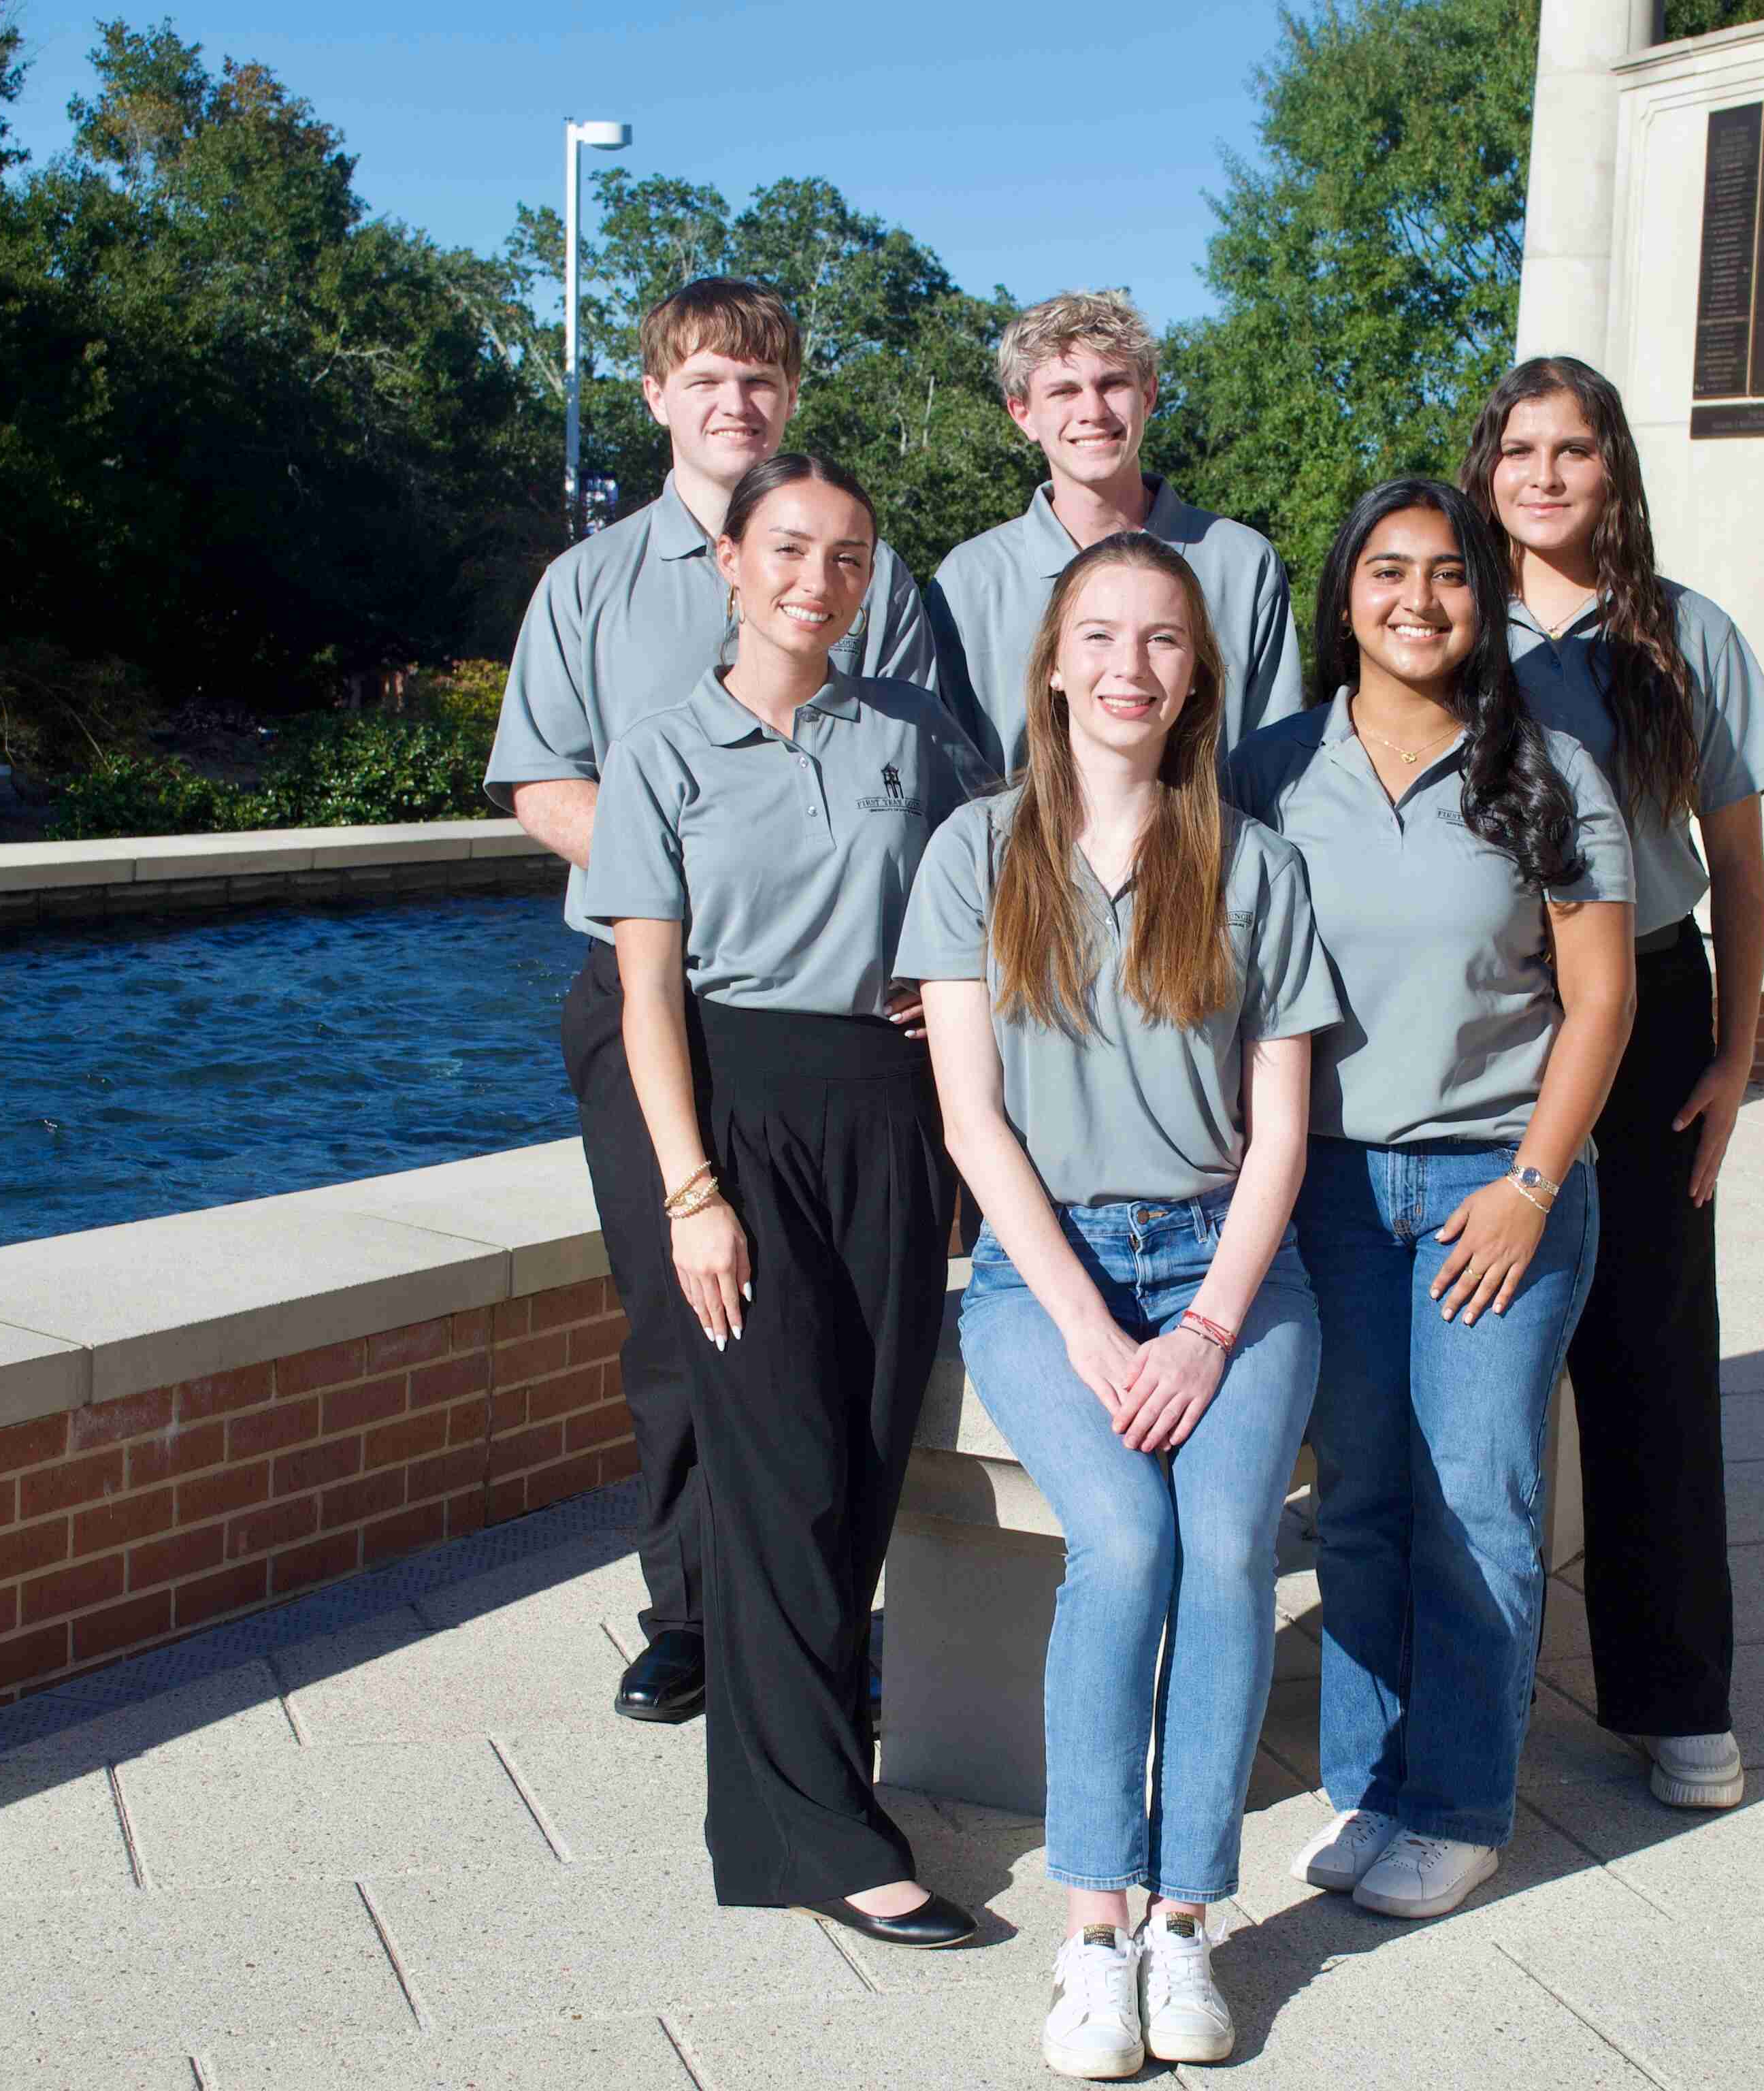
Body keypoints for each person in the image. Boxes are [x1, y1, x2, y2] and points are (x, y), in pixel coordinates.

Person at [902, 534, 1339, 2077]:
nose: (1130, 665)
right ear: (1055, 662)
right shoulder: (975, 852)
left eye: (1162, 640)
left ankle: (1184, 1920)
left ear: (1195, 676)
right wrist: (1094, 1330)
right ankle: (1093, 1933)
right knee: (1130, 1536)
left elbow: (1279, 1128)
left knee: (1223, 1547)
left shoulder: (1253, 866)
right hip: (1044, 1272)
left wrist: (1207, 1326)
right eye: (1101, 634)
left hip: (1233, 1266)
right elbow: (973, 1121)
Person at [483, 278, 940, 1728]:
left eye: (761, 380)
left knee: (848, 1331)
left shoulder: (869, 571)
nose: (735, 402)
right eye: (707, 379)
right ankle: (689, 1609)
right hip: (654, 991)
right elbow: (541, 781)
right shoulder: (591, 584)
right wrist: (673, 860)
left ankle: (830, 1611)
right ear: (658, 395)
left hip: (842, 1022)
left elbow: (952, 783)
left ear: (789, 398)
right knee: (682, 1317)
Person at [577, 451, 981, 1946]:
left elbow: (1002, 890)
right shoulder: (664, 754)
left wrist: (960, 998)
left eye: (852, 558)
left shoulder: (921, 735)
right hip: (739, 1123)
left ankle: (818, 1780)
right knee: (782, 1473)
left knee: (868, 1458)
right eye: (793, 551)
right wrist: (692, 1190)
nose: (822, 580)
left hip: (888, 1117)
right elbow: (645, 998)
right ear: (733, 564)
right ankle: (817, 1836)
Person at [1227, 479, 1636, 1922]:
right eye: (1387, 572)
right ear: (1341, 597)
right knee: (1358, 1503)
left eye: (1450, 575)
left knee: (1479, 1501)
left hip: (1492, 1189)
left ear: (1486, 600)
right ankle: (1366, 1779)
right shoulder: (1267, 771)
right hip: (1323, 1189)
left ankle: (1457, 1803)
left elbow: (1600, 1000)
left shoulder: (1553, 769)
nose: (1418, 599)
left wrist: (1533, 1183)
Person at [1460, 354, 1764, 1812]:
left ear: (1616, 472)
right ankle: (1446, 1691)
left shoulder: (1683, 636)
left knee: (1651, 1359)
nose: (1545, 474)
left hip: (1650, 1005)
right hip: (1483, 1013)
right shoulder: (1442, 618)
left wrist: (1731, 1056)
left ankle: (1678, 1700)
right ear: (1487, 468)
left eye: (1575, 450)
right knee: (1467, 1349)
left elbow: (1736, 864)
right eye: (1521, 448)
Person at [927, 291, 1300, 774]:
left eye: (1113, 384)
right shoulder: (970, 580)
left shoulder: (1242, 563)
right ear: (1022, 414)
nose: (1093, 411)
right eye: (1064, 392)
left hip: (1215, 847)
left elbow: (1275, 760)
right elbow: (950, 775)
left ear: (1148, 396)